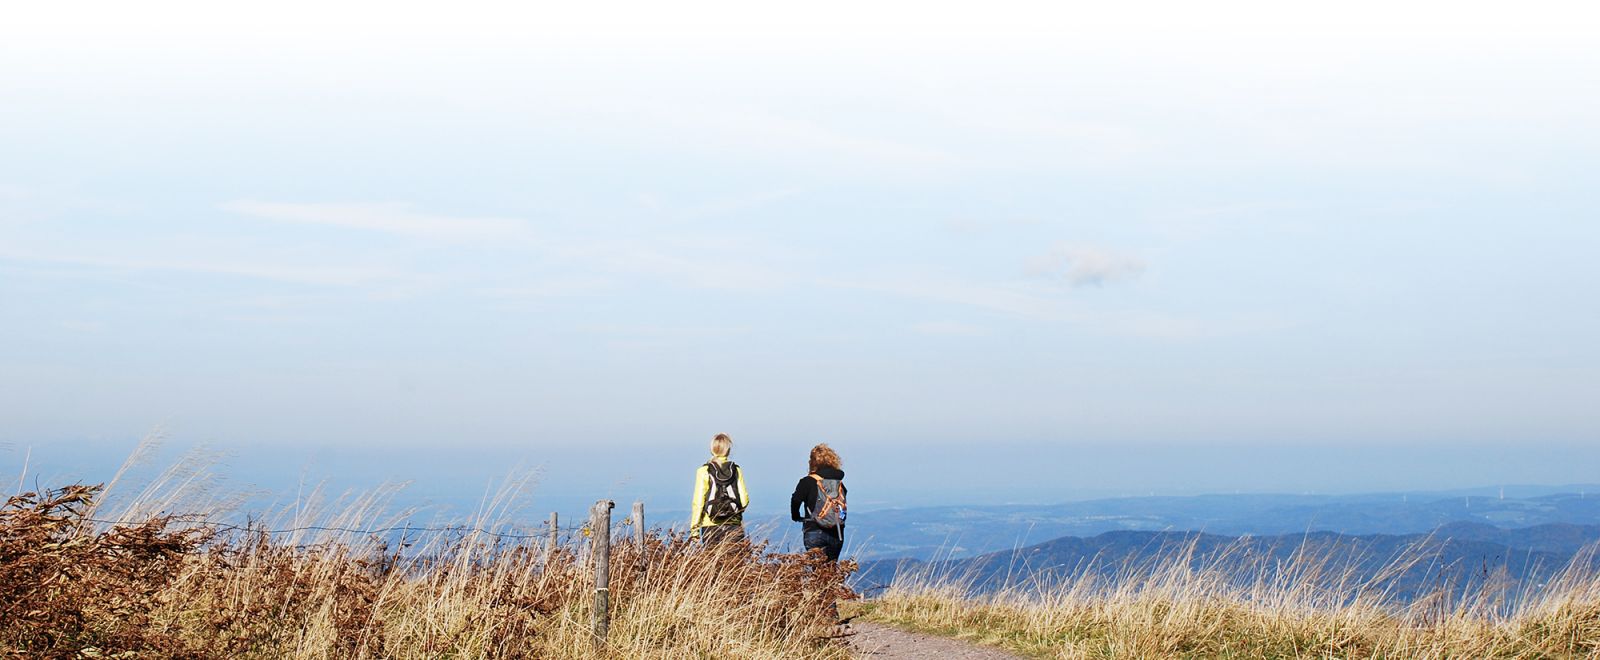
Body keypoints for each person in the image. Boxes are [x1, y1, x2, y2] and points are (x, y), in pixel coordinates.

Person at [689, 432, 749, 544]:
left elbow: (698, 503)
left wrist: (695, 530)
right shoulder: (736, 470)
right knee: (735, 561)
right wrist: (734, 514)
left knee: (713, 560)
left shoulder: (703, 471)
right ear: (728, 450)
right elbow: (744, 500)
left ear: (712, 450)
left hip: (710, 526)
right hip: (733, 525)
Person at [791, 443, 847, 561]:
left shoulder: (808, 481)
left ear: (812, 462)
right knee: (831, 572)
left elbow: (796, 500)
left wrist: (795, 515)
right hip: (836, 532)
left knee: (817, 573)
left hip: (814, 529)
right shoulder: (839, 483)